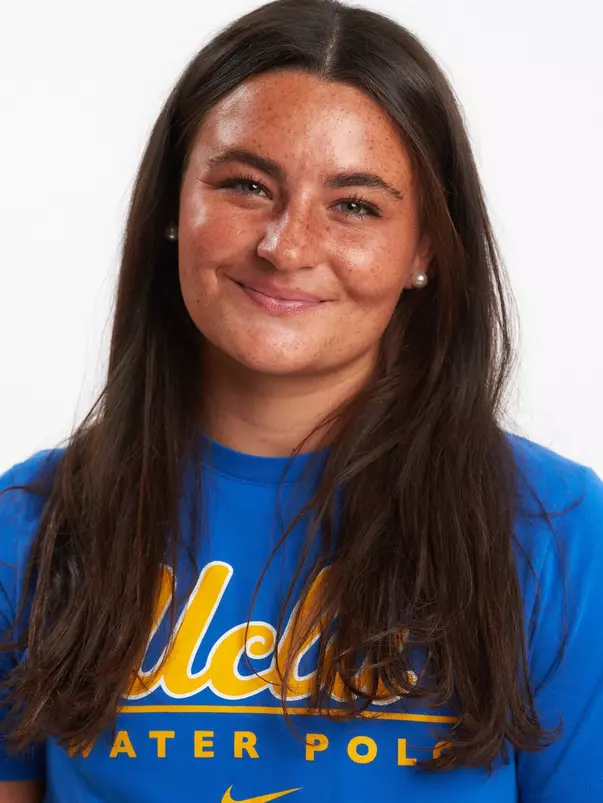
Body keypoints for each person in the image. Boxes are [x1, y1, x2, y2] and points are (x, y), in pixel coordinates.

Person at [1, 0, 602, 800]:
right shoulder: (31, 526)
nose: (285, 246)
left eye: (354, 205)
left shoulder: (554, 529)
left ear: (424, 246)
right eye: (246, 185)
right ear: (175, 209)